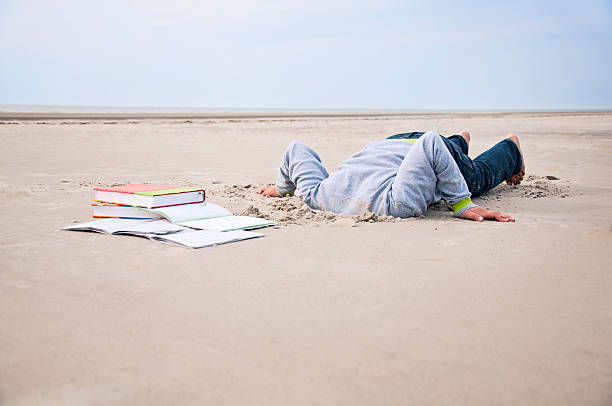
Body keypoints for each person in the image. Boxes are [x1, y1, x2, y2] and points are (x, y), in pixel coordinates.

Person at [258, 130, 525, 222]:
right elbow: (296, 150)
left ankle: (510, 148)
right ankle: (458, 142)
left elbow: (432, 144)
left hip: (415, 144)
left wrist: (463, 204)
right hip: (394, 143)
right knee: (443, 153)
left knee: (473, 180)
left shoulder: (397, 204)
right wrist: (284, 188)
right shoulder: (315, 195)